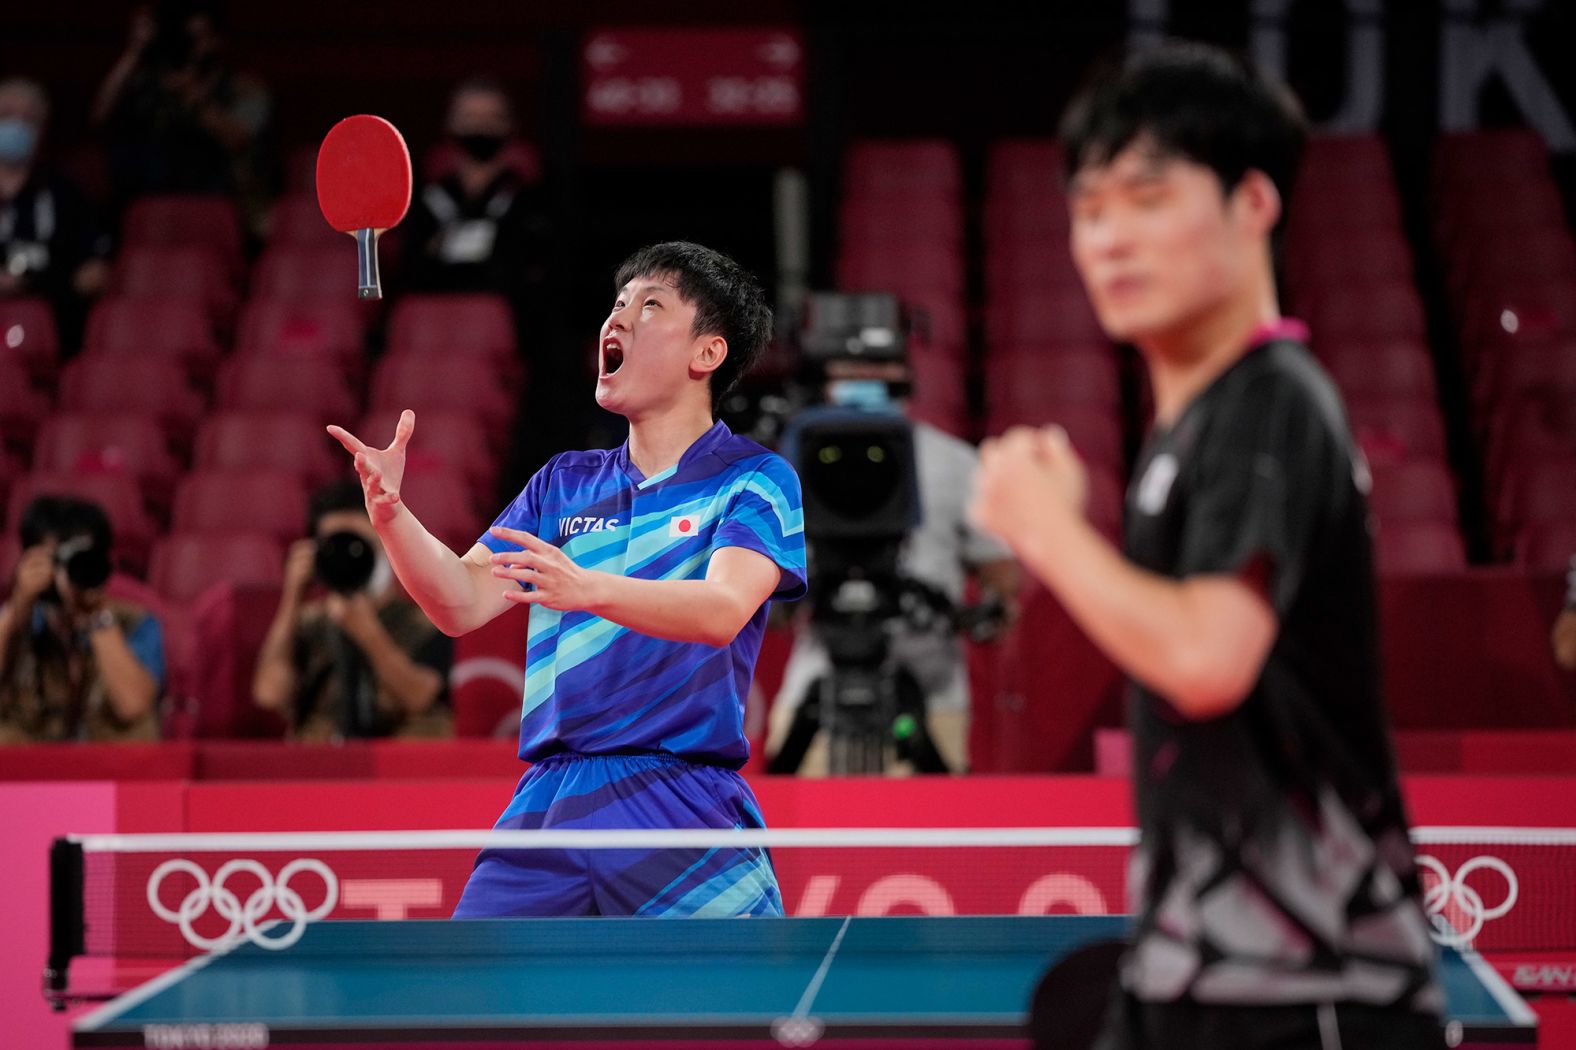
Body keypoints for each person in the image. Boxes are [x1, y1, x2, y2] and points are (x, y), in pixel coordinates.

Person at [970, 43, 1445, 1049]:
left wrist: (1045, 525)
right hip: (1201, 972)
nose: (1108, 238)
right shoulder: (1191, 430)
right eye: (1090, 210)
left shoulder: (1270, 403)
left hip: (1308, 989)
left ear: (1253, 206)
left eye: (1148, 199)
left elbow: (1205, 660)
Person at [326, 241, 806, 917]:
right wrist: (392, 516)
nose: (617, 319)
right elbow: (459, 602)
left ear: (707, 354)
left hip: (679, 800)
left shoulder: (752, 480)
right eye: (616, 304)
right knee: (470, 1004)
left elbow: (723, 609)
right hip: (553, 798)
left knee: (727, 1015)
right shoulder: (564, 484)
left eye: (649, 307)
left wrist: (588, 589)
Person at [766, 359, 1020, 775]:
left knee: (932, 833)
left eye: (876, 366)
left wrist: (992, 607)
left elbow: (999, 568)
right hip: (814, 683)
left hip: (931, 692)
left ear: (904, 375)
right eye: (848, 366)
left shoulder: (953, 460)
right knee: (794, 830)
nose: (863, 377)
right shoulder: (796, 456)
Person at [252, 479, 453, 742]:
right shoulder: (310, 621)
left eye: (360, 544)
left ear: (387, 545)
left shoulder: (424, 621)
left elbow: (418, 697)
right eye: (335, 545)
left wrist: (368, 634)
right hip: (319, 761)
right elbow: (270, 694)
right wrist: (292, 597)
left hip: (395, 762)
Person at [93, 2, 276, 238]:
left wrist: (193, 98)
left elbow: (238, 139)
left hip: (227, 208)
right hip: (155, 205)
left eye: (199, 37)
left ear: (219, 39)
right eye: (185, 38)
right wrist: (135, 52)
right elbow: (100, 118)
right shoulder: (153, 86)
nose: (193, 47)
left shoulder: (246, 89)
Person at [0, 496, 164, 743]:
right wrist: (17, 609)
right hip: (27, 768)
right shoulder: (16, 621)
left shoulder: (135, 622)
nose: (69, 571)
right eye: (57, 559)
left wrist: (96, 616)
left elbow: (132, 706)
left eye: (82, 558)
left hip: (107, 767)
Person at [402, 77, 545, 298]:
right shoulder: (423, 197)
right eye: (469, 118)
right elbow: (411, 268)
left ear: (511, 126)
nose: (480, 127)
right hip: (434, 315)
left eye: (492, 118)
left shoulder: (533, 198)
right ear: (449, 124)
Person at [0, 77, 113, 351]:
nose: (17, 126)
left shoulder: (66, 192)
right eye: (6, 116)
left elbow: (94, 272)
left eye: (28, 119)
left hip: (52, 324)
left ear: (42, 130)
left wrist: (47, 284)